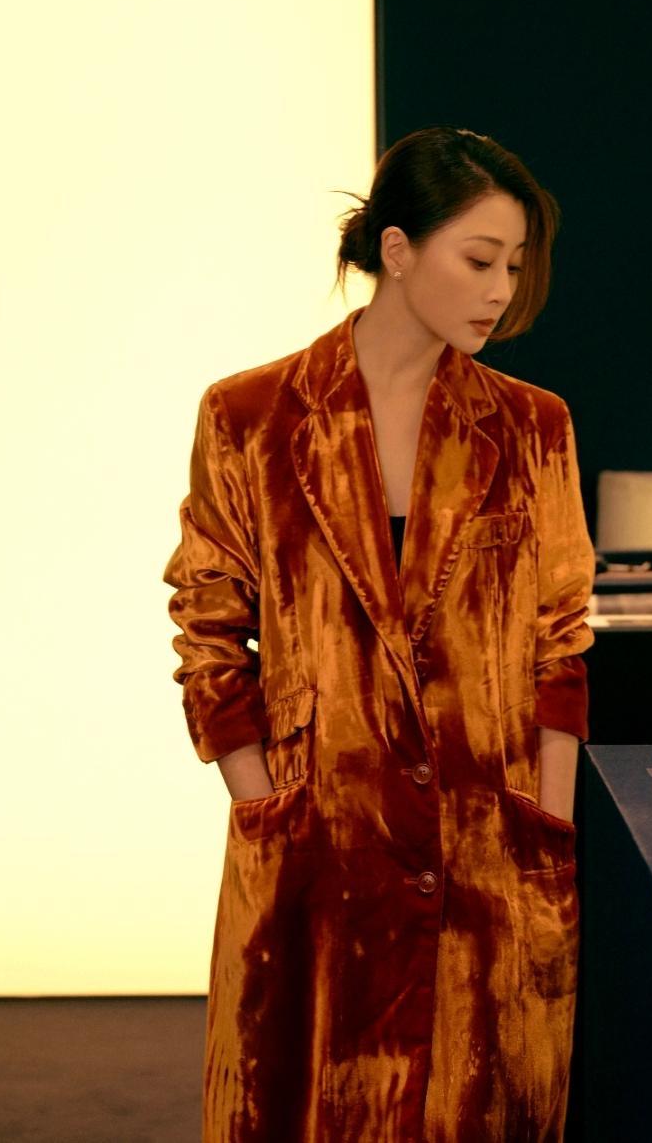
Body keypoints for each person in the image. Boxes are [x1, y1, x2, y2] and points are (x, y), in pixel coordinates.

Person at [163, 126, 596, 1142]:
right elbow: (209, 628)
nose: (500, 292)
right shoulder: (252, 416)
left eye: (514, 266)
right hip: (319, 859)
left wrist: (548, 828)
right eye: (479, 261)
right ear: (397, 250)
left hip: (488, 856)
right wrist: (266, 806)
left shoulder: (532, 426)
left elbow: (560, 643)